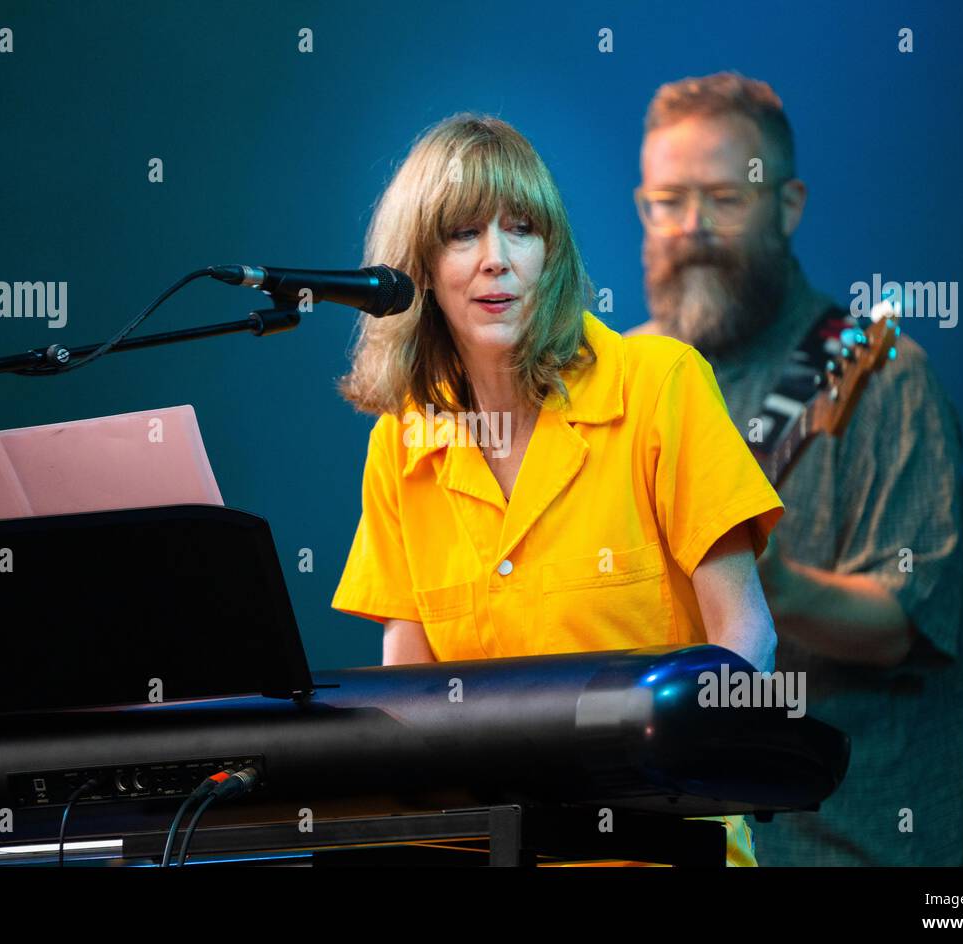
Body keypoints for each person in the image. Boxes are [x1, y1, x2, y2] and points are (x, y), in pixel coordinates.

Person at [330, 113, 784, 867]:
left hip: (664, 848)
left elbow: (749, 641)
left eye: (522, 228)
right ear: (417, 267)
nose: (497, 260)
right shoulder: (400, 442)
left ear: (554, 252)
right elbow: (407, 698)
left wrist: (683, 777)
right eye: (463, 233)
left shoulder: (660, 385)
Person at [627, 72, 963, 866]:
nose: (692, 228)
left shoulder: (881, 373)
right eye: (667, 201)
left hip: (836, 839)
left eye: (724, 197)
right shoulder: (625, 377)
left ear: (787, 205)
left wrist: (766, 586)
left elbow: (903, 618)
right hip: (677, 835)